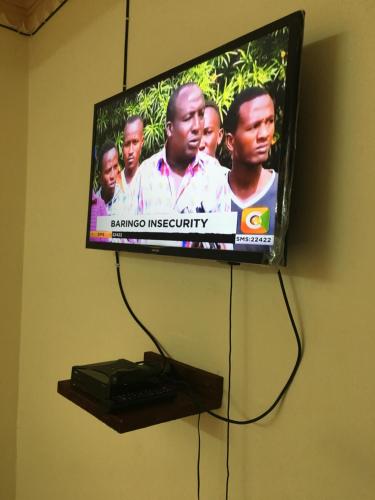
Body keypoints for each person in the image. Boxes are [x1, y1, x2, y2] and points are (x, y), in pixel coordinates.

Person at [132, 83, 230, 248]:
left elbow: (226, 247)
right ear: (170, 129)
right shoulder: (145, 173)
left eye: (200, 115)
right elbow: (128, 240)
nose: (197, 127)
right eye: (187, 118)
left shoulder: (216, 175)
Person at [224, 87, 278, 252]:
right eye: (254, 126)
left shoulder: (282, 192)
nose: (264, 134)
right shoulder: (210, 194)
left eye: (269, 122)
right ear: (231, 142)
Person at [96, 139, 124, 215]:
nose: (112, 176)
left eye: (115, 167)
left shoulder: (125, 201)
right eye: (108, 171)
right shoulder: (94, 205)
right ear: (100, 176)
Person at [118, 115, 144, 190]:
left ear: (142, 142)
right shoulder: (114, 185)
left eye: (135, 142)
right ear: (122, 146)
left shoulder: (149, 180)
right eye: (127, 144)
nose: (131, 151)